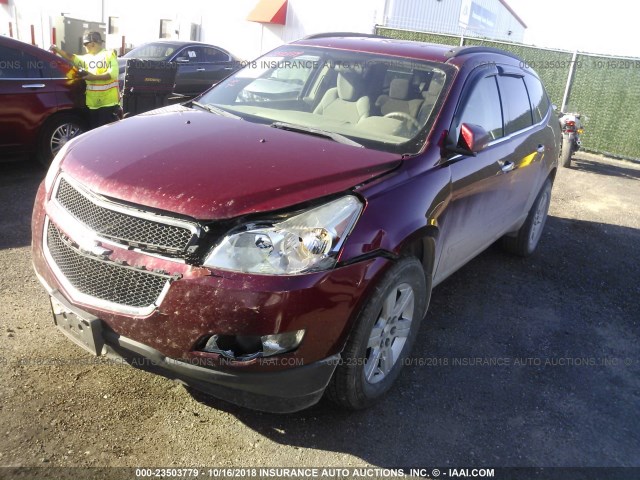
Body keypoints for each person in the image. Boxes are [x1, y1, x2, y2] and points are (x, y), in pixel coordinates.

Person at [50, 31, 120, 129]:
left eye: (85, 44)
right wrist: (57, 50)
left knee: (106, 134)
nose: (84, 47)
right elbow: (71, 57)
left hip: (108, 103)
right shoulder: (86, 58)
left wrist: (93, 77)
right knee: (94, 132)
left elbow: (113, 73)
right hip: (93, 103)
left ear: (92, 43)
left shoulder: (109, 55)